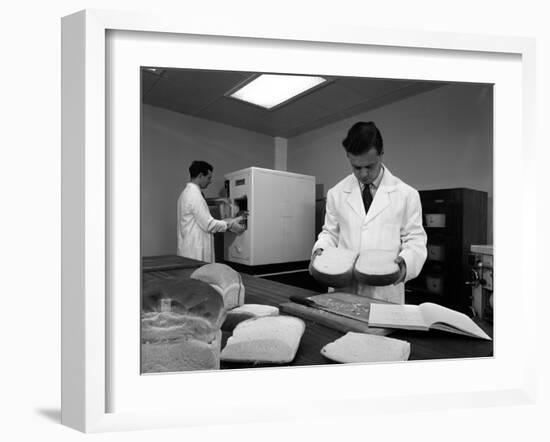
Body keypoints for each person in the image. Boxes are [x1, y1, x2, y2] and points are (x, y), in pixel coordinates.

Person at [310, 121, 427, 304]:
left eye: (370, 166)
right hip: (343, 289)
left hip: (385, 293)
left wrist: (405, 264)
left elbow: (415, 240)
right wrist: (320, 251)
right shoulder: (336, 193)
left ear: (381, 155)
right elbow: (330, 233)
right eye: (357, 167)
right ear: (348, 157)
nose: (364, 174)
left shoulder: (407, 194)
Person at [177, 160, 246, 262]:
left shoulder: (185, 194)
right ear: (200, 176)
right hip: (195, 254)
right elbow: (209, 225)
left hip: (188, 250)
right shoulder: (194, 195)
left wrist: (228, 220)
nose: (210, 181)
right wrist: (230, 224)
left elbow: (200, 220)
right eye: (208, 178)